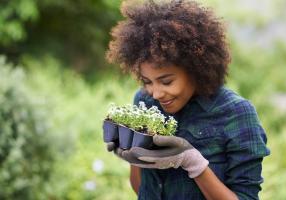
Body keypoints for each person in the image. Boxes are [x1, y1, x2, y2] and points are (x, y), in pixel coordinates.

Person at [105, 0, 270, 199]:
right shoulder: (145, 102)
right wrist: (133, 155)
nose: (156, 93)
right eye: (147, 81)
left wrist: (193, 163)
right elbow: (143, 189)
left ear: (195, 69)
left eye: (166, 81)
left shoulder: (237, 113)